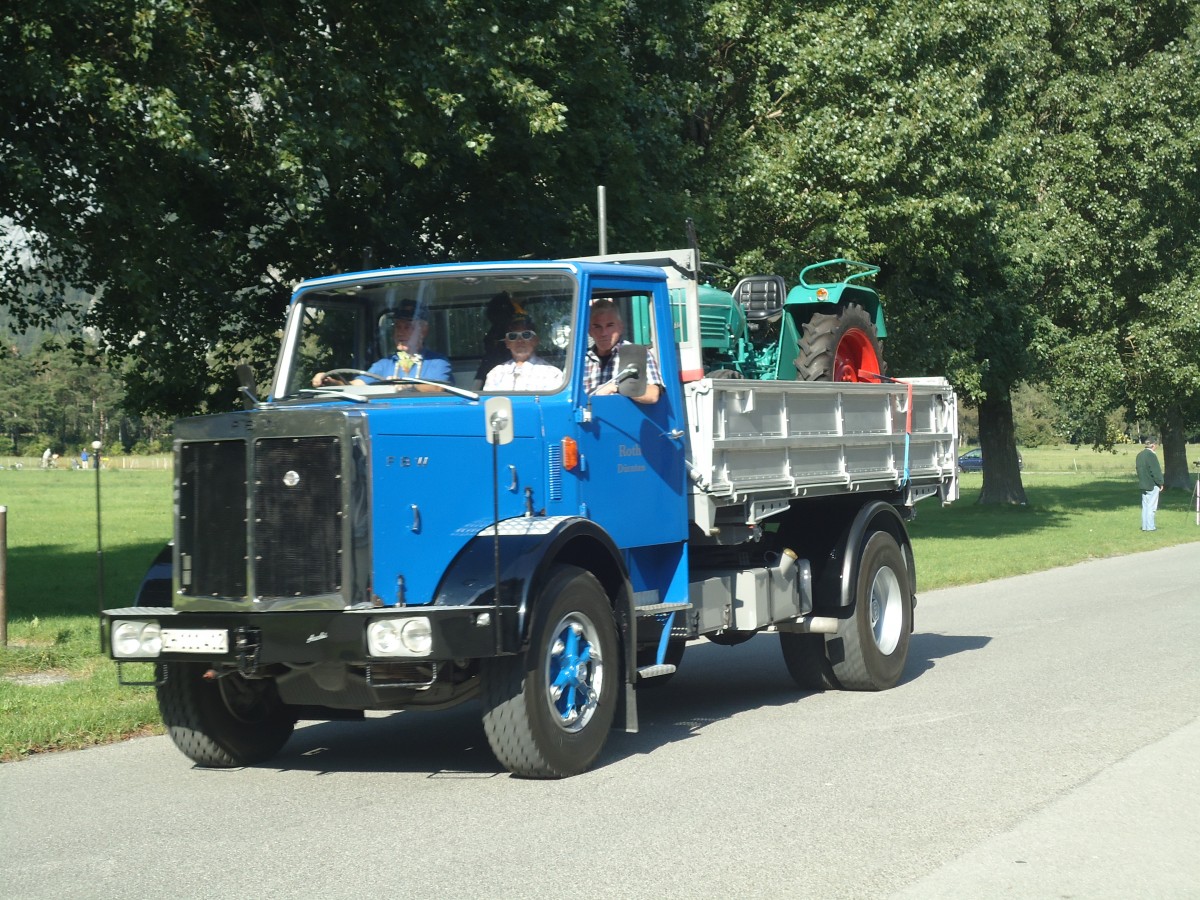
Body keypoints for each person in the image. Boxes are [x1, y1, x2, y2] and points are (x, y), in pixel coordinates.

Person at [312, 299, 453, 387]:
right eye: (397, 326)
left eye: (407, 327)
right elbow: (357, 385)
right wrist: (331, 382)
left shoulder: (437, 362)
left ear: (423, 331)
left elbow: (438, 388)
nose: (400, 332)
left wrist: (408, 386)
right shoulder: (385, 364)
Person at [583, 299, 663, 405]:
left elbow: (653, 394)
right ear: (589, 331)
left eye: (610, 325)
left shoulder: (634, 353)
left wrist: (617, 388)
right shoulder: (580, 360)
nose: (604, 333)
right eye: (597, 327)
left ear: (620, 327)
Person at [483, 315, 563, 391]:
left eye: (526, 335)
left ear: (536, 340)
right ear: (507, 343)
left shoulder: (552, 374)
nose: (520, 340)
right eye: (513, 336)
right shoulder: (495, 374)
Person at [1136, 438, 1164, 531]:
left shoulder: (1140, 455)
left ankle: (1145, 526)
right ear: (1153, 445)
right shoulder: (1151, 455)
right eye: (1156, 445)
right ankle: (1151, 527)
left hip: (1143, 483)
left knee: (1145, 507)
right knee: (1152, 507)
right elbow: (1155, 471)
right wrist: (1160, 482)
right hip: (1152, 484)